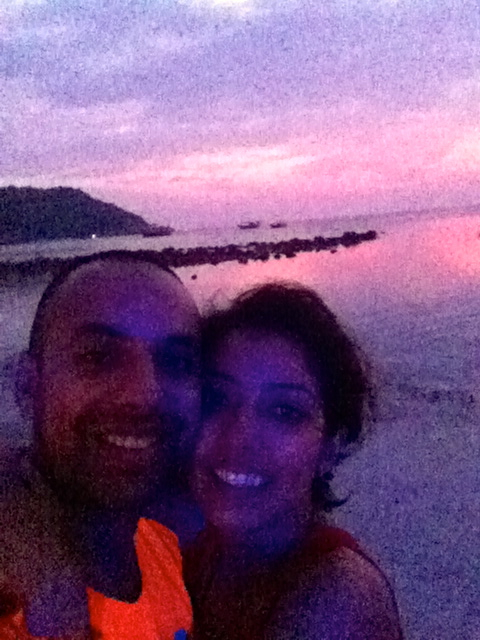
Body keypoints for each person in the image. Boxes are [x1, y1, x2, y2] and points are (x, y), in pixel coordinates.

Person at [0, 250, 202, 639]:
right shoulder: (12, 595)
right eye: (99, 356)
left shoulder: (163, 547)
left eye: (176, 362)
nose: (145, 394)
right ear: (27, 388)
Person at [184, 282, 403, 640]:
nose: (239, 438)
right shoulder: (204, 554)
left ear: (330, 448)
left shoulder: (333, 602)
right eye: (217, 399)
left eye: (285, 412)